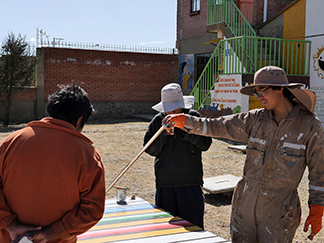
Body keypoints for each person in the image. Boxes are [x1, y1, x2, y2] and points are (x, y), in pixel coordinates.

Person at [163, 66, 324, 242]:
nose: (258, 96)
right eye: (256, 91)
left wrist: (317, 208)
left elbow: (319, 171)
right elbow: (218, 125)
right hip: (245, 207)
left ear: (281, 89)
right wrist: (186, 121)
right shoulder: (254, 119)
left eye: (262, 90)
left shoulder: (310, 126)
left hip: (280, 211)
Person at [0, 84, 106, 243]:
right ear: (79, 121)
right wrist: (52, 233)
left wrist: (10, 224)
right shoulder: (88, 156)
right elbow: (92, 210)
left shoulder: (11, 142)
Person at [143, 83, 212, 229]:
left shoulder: (193, 117)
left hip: (190, 183)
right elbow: (149, 149)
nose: (172, 113)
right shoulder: (158, 120)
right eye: (169, 110)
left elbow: (205, 144)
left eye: (175, 109)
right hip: (165, 183)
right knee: (166, 229)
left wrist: (186, 129)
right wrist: (163, 135)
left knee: (193, 228)